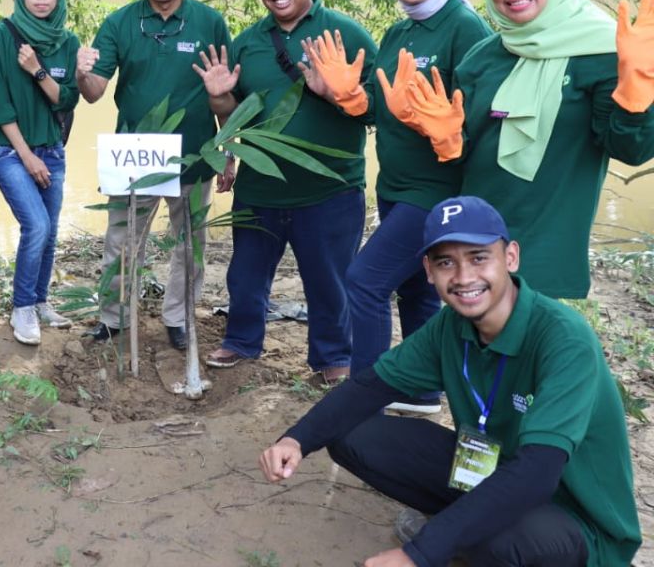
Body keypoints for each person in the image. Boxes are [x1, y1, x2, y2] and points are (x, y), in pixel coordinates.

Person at [260, 196, 641, 567]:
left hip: (571, 511)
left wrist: (421, 552)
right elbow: (369, 387)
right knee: (348, 435)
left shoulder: (563, 337)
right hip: (493, 468)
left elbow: (539, 472)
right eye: (446, 262)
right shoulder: (450, 326)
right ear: (428, 271)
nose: (463, 277)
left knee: (496, 541)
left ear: (510, 257)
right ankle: (464, 526)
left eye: (478, 258)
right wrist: (298, 438)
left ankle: (466, 535)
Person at [394, 0, 654, 299]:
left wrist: (635, 95)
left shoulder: (602, 53)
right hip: (475, 240)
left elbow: (631, 151)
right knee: (472, 352)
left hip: (549, 250)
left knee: (537, 352)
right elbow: (465, 155)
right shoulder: (481, 58)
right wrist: (447, 141)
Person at [304, 0, 493, 411]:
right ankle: (425, 390)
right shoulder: (399, 30)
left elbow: (483, 118)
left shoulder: (464, 26)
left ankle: (363, 396)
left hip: (435, 191)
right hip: (394, 187)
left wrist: (449, 131)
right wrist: (348, 96)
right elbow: (381, 111)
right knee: (416, 290)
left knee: (363, 282)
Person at [194, 0, 376, 382]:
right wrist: (219, 99)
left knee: (329, 281)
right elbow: (235, 117)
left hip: (331, 187)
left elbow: (379, 108)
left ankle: (333, 357)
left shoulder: (346, 34)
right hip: (261, 187)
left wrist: (338, 94)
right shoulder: (248, 43)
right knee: (246, 275)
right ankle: (240, 341)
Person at [77, 0, 232, 350]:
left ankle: (179, 318)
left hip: (195, 154)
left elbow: (225, 94)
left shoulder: (210, 22)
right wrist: (81, 71)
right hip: (134, 156)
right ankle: (113, 318)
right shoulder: (120, 22)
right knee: (122, 241)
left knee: (189, 244)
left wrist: (228, 153)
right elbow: (93, 92)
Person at [0, 0, 80, 344]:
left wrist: (38, 70)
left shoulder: (67, 42)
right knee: (35, 225)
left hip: (51, 147)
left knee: (51, 230)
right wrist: (26, 155)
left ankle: (40, 301)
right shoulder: (2, 35)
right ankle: (21, 308)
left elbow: (66, 101)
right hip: (10, 149)